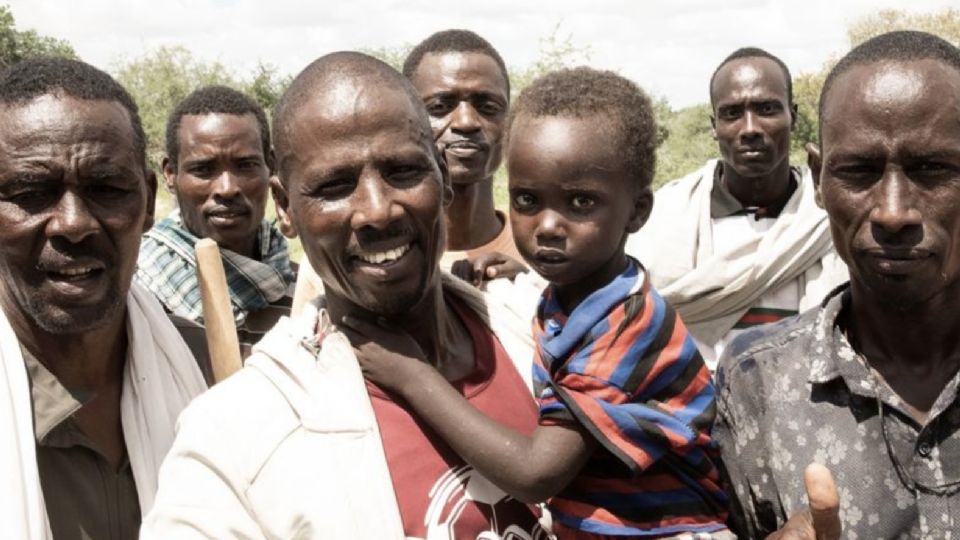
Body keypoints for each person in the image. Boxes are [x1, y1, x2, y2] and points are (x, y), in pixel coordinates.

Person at [142, 52, 548, 539]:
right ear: (286, 208)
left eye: (402, 171)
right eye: (334, 186)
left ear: (443, 178)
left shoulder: (543, 334)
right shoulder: (235, 439)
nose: (377, 211)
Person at [343, 67, 732, 539]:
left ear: (637, 211)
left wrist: (409, 372)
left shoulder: (628, 327)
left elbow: (535, 474)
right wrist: (524, 280)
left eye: (581, 203)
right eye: (528, 199)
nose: (547, 225)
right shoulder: (577, 296)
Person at [715, 30, 960, 538]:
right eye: (859, 172)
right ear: (820, 179)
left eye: (933, 169)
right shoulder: (757, 382)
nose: (893, 212)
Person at [0, 58, 207, 539]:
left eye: (106, 188)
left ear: (150, 201)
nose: (73, 223)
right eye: (33, 192)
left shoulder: (215, 375)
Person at [626, 47, 847, 368]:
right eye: (732, 114)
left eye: (767, 109)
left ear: (794, 117)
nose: (750, 129)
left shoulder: (826, 218)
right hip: (689, 409)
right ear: (714, 125)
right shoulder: (665, 217)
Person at [290, 30, 522, 313]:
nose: (466, 121)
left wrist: (535, 297)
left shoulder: (545, 250)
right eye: (439, 107)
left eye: (487, 106)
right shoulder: (340, 264)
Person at [135, 85, 296, 355]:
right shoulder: (137, 296)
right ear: (170, 174)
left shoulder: (304, 292)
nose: (227, 188)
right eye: (203, 169)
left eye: (245, 165)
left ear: (271, 166)